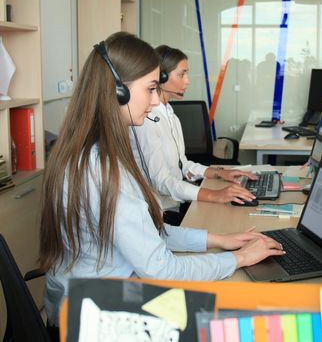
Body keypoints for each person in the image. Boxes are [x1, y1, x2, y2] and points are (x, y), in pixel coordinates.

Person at [38, 32, 284, 329]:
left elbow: (147, 231)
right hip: (96, 315)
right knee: (239, 318)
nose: (156, 102)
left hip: (95, 295)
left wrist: (219, 240)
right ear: (118, 92)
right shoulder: (101, 168)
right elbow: (161, 270)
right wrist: (239, 259)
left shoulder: (95, 152)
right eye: (151, 89)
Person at [131, 45, 257, 226]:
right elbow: (161, 181)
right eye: (181, 74)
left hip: (175, 204)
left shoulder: (170, 115)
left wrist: (220, 173)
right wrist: (214, 195)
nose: (188, 81)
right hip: (158, 215)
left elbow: (183, 165)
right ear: (161, 77)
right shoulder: (146, 120)